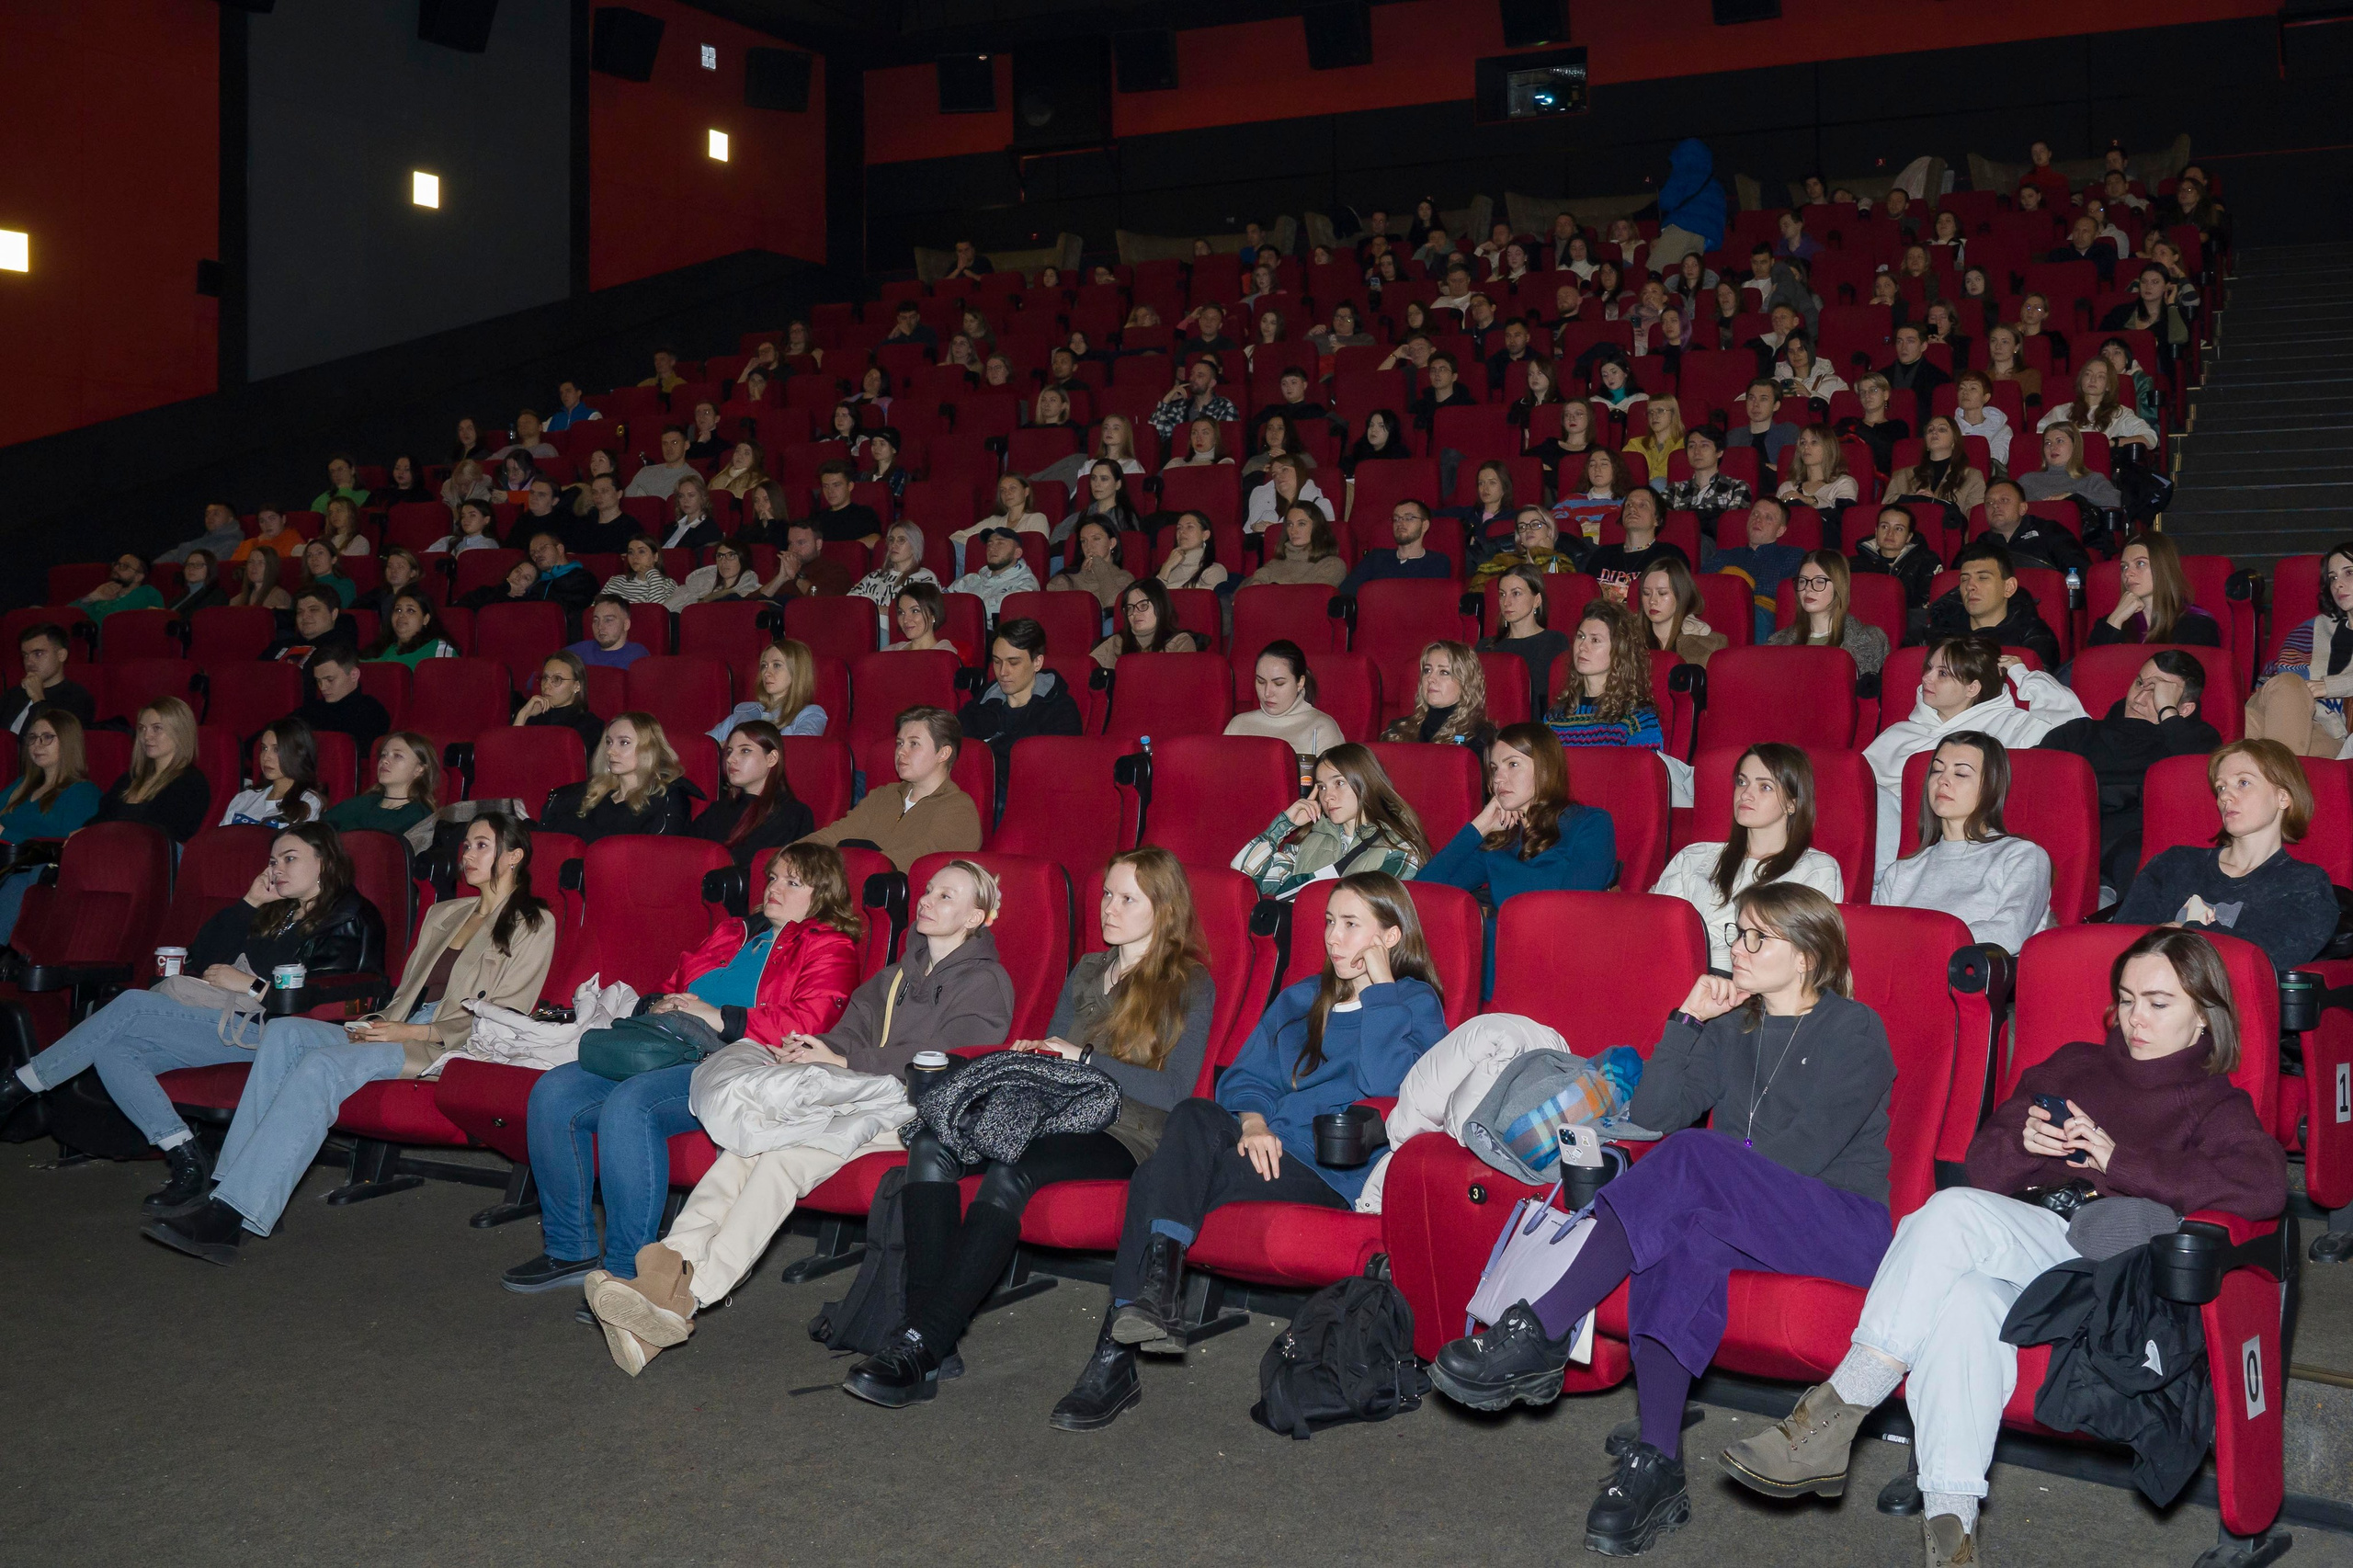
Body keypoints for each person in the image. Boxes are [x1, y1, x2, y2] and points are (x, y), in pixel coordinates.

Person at [1722, 929, 2284, 1568]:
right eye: (2127, 999)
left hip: (2100, 1271)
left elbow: (2263, 1187)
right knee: (1964, 1303)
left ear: (2204, 1017)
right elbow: (1982, 1169)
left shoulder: (2214, 1102)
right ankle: (1952, 1536)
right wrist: (2026, 1147)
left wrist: (2118, 1160)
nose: (2135, 1018)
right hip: (2022, 1243)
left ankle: (1837, 1410)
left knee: (1949, 1215)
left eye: (2158, 1003)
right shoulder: (2073, 1065)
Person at [1426, 883, 1894, 1557]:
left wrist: (1709, 1160)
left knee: (1694, 1164)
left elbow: (1802, 1156)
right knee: (1681, 1238)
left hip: (1836, 1226)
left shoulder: (1855, 1028)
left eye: (1760, 937)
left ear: (1807, 957)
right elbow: (1651, 1113)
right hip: (1737, 1217)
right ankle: (1657, 1464)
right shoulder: (1735, 1024)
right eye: (1739, 931)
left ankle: (1543, 1325)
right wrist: (1687, 1020)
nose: (1739, 946)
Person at [589, 857, 1009, 1377]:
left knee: (782, 1160)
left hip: (917, 1107)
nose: (926, 900)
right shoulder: (898, 973)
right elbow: (850, 1030)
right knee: (747, 1146)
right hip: (854, 1091)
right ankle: (663, 1273)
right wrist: (815, 1049)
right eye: (928, 890)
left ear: (976, 916)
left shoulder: (986, 982)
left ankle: (688, 1296)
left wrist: (843, 1061)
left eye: (947, 896)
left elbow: (946, 1057)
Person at [1051, 871, 1444, 1429]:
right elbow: (1244, 1080)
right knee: (1190, 1117)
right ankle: (1154, 1298)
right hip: (1261, 1148)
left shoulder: (1414, 1004)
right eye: (1330, 922)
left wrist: (1379, 992)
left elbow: (1395, 1083)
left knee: (1157, 1176)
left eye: (1352, 925)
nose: (1333, 937)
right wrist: (1255, 1122)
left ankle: (1115, 1354)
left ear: (1390, 934)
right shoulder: (1303, 997)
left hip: (1328, 1169)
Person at [845, 847, 1217, 1405]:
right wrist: (1040, 1053)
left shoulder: (1190, 982)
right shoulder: (1089, 968)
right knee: (931, 1140)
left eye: (1127, 899)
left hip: (1127, 1131)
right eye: (1107, 895)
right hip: (1054, 1114)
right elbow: (1053, 1059)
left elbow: (1173, 1092)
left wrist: (1082, 1057)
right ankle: (929, 1346)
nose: (1108, 908)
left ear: (1163, 910)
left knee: (1011, 1169)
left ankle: (919, 1342)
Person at [499, 840, 860, 1303]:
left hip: (737, 1063)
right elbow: (672, 986)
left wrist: (719, 1016)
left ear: (823, 894)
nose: (775, 888)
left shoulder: (830, 945)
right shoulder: (733, 932)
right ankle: (571, 1250)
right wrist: (659, 1002)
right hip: (669, 1044)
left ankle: (630, 1275)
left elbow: (811, 1025)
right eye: (773, 877)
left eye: (793, 882)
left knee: (632, 1104)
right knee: (554, 1092)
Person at [0, 824, 383, 1217]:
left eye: (290, 859)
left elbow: (325, 1001)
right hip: (227, 1024)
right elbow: (202, 958)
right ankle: (186, 1156)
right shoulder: (280, 910)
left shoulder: (349, 918)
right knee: (115, 1051)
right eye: (272, 861)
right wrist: (249, 901)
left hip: (281, 1036)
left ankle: (19, 1085)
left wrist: (251, 987)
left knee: (132, 1005)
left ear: (324, 862)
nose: (277, 869)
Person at [1864, 635, 2085, 874]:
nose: (1926, 678)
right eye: (1929, 669)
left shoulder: (2012, 726)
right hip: (1877, 835)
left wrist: (2024, 675)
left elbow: (2074, 728)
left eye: (1943, 673)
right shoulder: (1900, 731)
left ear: (1973, 687)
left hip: (1951, 835)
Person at [2116, 739, 2338, 972]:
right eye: (2221, 787)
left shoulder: (2305, 885)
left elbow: (2256, 964)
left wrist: (2177, 933)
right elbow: (2123, 941)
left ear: (2283, 797)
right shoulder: (2174, 863)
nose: (2225, 797)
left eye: (2243, 783)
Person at [1422, 723, 1615, 987]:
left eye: (1512, 765)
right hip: (1501, 967)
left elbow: (1572, 916)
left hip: (1560, 968)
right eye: (1493, 769)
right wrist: (1478, 828)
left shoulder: (1590, 824)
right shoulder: (1500, 841)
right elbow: (1422, 893)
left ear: (1545, 768)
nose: (1498, 779)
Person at [1654, 745, 1844, 969]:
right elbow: (1659, 935)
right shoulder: (1693, 856)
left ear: (1792, 803)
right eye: (1742, 782)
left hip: (1757, 993)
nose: (1745, 794)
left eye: (1765, 787)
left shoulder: (1817, 869)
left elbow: (1803, 957)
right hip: (1682, 977)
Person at [1870, 732, 2056, 952]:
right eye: (1937, 770)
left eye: (1961, 773)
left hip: (1973, 979)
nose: (1942, 780)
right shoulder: (1901, 872)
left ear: (1990, 787)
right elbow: (1876, 940)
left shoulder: (2021, 856)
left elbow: (2010, 932)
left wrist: (1925, 943)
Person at [1233, 744, 1428, 901]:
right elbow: (1243, 877)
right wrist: (1283, 825)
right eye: (1322, 787)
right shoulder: (1311, 841)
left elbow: (1376, 906)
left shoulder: (1398, 845)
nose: (1328, 796)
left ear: (1366, 782)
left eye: (1339, 783)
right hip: (1303, 942)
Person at [802, 706, 983, 871]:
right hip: (847, 883)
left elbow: (918, 861)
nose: (900, 752)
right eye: (899, 743)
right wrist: (793, 853)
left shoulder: (959, 809)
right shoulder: (883, 795)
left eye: (914, 744)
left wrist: (837, 866)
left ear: (943, 753)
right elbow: (836, 834)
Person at [958, 619, 1085, 815]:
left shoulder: (1060, 710)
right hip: (974, 795)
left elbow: (1053, 774)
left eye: (1013, 662)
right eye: (997, 661)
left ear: (1037, 663)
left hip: (1027, 805)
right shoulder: (982, 703)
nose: (1002, 672)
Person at [0, 710, 101, 940]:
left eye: (47, 737)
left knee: (18, 880)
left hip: (41, 869)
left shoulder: (83, 792)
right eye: (33, 738)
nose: (37, 744)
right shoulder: (22, 785)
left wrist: (9, 834)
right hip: (7, 860)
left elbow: (66, 843)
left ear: (67, 741)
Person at [2248, 541, 2353, 757]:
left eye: (2349, 573)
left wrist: (2327, 687)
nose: (2338, 585)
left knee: (2248, 740)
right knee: (2287, 684)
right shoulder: (2309, 630)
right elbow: (2273, 684)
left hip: (2328, 732)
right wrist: (2296, 692)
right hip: (2276, 711)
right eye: (2333, 578)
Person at [540, 712, 698, 843]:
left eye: (623, 743)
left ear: (648, 749)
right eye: (608, 742)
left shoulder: (668, 799)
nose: (610, 751)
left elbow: (655, 859)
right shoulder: (591, 794)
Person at [1915, 538, 2066, 670]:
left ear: (2009, 588)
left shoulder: (2034, 637)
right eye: (1964, 579)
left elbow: (2038, 691)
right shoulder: (1939, 631)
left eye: (1983, 578)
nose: (1970, 586)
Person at [688, 721, 813, 870]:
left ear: (771, 758)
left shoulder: (793, 815)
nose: (729, 759)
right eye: (729, 751)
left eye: (745, 751)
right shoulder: (716, 811)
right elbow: (686, 855)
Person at [1548, 599, 1665, 751]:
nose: (1582, 646)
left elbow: (1646, 774)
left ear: (1619, 651)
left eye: (1595, 640)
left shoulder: (1637, 720)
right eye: (1580, 636)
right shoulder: (1555, 717)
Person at [1223, 641, 1343, 775]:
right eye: (1261, 681)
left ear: (1300, 683)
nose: (1267, 693)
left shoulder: (1322, 728)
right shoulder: (1238, 725)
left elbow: (1334, 790)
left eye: (1279, 684)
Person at [1768, 551, 1889, 675]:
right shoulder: (1777, 643)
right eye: (1802, 581)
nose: (1808, 588)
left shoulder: (1871, 640)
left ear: (1839, 587)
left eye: (1819, 581)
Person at [2088, 532, 2219, 648]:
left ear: (2163, 568)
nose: (2127, 573)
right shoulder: (2112, 622)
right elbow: (2091, 670)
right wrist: (2115, 621)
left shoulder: (2196, 624)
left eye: (2140, 563)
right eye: (2124, 567)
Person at [1707, 498, 1807, 644]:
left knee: (1757, 615)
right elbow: (1702, 585)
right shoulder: (1724, 556)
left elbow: (1785, 592)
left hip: (1763, 616)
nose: (1758, 520)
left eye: (1768, 518)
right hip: (1720, 610)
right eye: (1755, 514)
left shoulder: (1792, 556)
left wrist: (1737, 580)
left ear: (1780, 530)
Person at [1476, 569, 1572, 719]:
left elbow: (1560, 699)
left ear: (1537, 600)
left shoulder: (1555, 642)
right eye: (1502, 594)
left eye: (1516, 593)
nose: (1506, 602)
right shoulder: (1485, 647)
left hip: (1538, 732)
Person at [321, 731, 438, 839]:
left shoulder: (420, 818)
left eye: (397, 756)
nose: (385, 761)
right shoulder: (361, 804)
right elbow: (315, 831)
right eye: (383, 755)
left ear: (419, 769)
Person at [285, 647, 392, 756]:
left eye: (330, 680)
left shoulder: (372, 711)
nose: (322, 687)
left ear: (354, 675)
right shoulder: (312, 709)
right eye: (318, 680)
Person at [1976, 478, 2091, 577]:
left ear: (2023, 508)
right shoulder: (1980, 544)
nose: (1995, 506)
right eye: (1989, 503)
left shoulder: (2050, 531)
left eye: (2004, 500)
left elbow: (2080, 571)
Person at [219, 721, 324, 828]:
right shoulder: (245, 798)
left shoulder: (307, 803)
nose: (265, 757)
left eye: (276, 749)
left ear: (297, 754)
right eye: (264, 748)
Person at [1884, 415, 1987, 518]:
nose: (1934, 432)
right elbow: (1885, 509)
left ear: (1954, 441)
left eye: (1942, 429)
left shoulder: (1972, 477)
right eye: (1930, 430)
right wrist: (1915, 501)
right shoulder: (1902, 475)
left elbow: (1976, 518)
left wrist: (1935, 504)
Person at [1, 625, 94, 734]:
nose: (29, 662)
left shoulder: (77, 697)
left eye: (38, 654)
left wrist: (38, 699)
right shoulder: (14, 694)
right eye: (25, 655)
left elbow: (55, 740)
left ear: (61, 655)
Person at [513, 652, 608, 756]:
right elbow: (509, 756)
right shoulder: (531, 716)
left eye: (557, 679)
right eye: (545, 678)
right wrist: (523, 715)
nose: (546, 686)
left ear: (576, 686)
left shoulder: (590, 725)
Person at [1639, 558, 1727, 668]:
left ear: (1681, 595)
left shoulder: (1708, 644)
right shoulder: (1625, 638)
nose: (1652, 600)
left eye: (1662, 593)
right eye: (1646, 593)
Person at [1850, 506, 1939, 611]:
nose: (1890, 533)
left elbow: (1926, 609)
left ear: (1909, 537)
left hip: (1911, 625)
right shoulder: (1854, 565)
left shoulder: (1926, 562)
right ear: (1876, 531)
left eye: (1898, 529)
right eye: (1884, 527)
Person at [1243, 503, 1347, 589]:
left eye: (1301, 524)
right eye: (1290, 524)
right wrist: (1256, 582)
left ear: (1317, 528)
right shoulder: (1276, 562)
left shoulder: (1332, 564)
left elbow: (1310, 598)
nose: (1293, 531)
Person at [945, 527, 1040, 621]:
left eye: (1000, 543)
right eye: (989, 543)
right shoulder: (970, 580)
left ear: (1017, 553)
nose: (992, 548)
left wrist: (960, 608)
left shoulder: (1026, 583)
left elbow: (1008, 610)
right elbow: (940, 603)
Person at [1470, 508, 1581, 588]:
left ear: (1549, 531)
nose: (1528, 530)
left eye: (1535, 524)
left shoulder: (1562, 559)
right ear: (1520, 537)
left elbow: (1557, 591)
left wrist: (1543, 552)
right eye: (1522, 527)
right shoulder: (1501, 560)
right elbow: (1478, 590)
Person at [1046, 517, 1134, 609]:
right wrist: (1083, 575)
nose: (1089, 546)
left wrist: (1100, 568)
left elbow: (1113, 605)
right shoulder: (1066, 579)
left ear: (1112, 543)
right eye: (1084, 541)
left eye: (1096, 539)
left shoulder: (1124, 577)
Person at [1148, 355, 1239, 440]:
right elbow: (1155, 437)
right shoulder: (1180, 407)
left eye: (1200, 375)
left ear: (1212, 383)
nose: (1192, 378)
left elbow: (1226, 441)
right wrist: (1165, 402)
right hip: (1181, 456)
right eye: (1192, 374)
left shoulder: (1224, 406)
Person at [363, 590, 460, 670]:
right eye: (398, 610)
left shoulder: (438, 648)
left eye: (410, 611)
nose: (401, 615)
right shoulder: (387, 648)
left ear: (425, 619)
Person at [1775, 424, 1859, 511]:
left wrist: (1808, 500)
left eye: (1814, 442)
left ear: (1828, 447)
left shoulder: (1843, 483)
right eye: (1803, 442)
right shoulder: (1787, 487)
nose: (1806, 447)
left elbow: (1842, 515)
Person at [767, 519, 856, 600]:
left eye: (801, 543)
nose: (793, 550)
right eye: (790, 544)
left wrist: (796, 576)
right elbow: (755, 601)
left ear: (818, 544)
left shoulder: (835, 570)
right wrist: (780, 578)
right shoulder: (784, 567)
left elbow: (821, 601)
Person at [73, 551, 164, 624]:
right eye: (116, 564)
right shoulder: (103, 593)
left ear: (138, 577)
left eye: (124, 566)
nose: (115, 568)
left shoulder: (147, 593)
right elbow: (69, 613)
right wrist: (93, 596)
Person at [565, 595, 652, 671]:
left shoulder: (637, 655)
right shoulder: (580, 651)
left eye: (608, 620)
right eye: (595, 620)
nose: (600, 626)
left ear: (626, 625)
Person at [1155, 511, 1230, 593]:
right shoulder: (1165, 569)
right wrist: (1167, 566)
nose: (1181, 531)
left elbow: (1200, 600)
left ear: (1205, 535)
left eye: (1190, 527)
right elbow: (1150, 599)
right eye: (1179, 528)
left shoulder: (1214, 570)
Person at [884, 581, 959, 658]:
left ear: (933, 615)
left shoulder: (945, 655)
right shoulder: (889, 653)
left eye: (915, 611)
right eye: (901, 612)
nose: (905, 620)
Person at [158, 501, 245, 565]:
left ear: (230, 519)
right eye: (207, 514)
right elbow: (175, 553)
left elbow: (211, 568)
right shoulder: (201, 541)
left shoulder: (234, 544)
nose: (209, 517)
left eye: (216, 514)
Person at [167, 548, 229, 617]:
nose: (191, 568)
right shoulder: (180, 596)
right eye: (189, 564)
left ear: (210, 569)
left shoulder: (216, 596)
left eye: (198, 565)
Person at [225, 550, 290, 614]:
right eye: (251, 562)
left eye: (261, 563)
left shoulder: (279, 596)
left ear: (271, 567)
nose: (254, 567)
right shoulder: (236, 601)